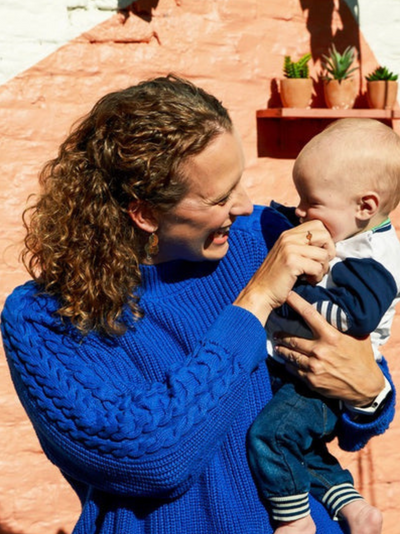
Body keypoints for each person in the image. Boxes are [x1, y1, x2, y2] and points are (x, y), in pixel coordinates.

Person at [0, 76, 395, 534]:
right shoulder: (45, 318)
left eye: (240, 183)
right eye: (220, 196)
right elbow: (153, 462)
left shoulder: (266, 238)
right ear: (145, 212)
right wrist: (254, 303)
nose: (246, 206)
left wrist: (371, 394)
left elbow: (353, 377)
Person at [248, 118, 400, 534]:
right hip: (307, 378)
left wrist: (291, 294)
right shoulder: (351, 234)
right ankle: (352, 506)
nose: (300, 210)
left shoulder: (373, 258)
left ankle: (294, 519)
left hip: (319, 384)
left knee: (272, 438)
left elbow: (355, 317)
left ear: (364, 207)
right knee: (307, 451)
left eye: (310, 200)